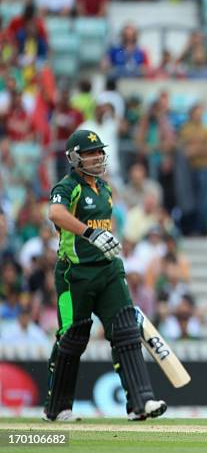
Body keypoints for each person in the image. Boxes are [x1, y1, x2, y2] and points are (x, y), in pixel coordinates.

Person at [44, 129, 166, 422]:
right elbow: (56, 214)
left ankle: (140, 403)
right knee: (72, 337)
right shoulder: (67, 186)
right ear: (75, 158)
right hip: (75, 274)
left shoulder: (106, 189)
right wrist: (89, 233)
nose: (98, 157)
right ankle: (57, 407)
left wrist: (108, 241)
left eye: (100, 151)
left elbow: (104, 227)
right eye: (90, 153)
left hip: (108, 269)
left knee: (126, 330)